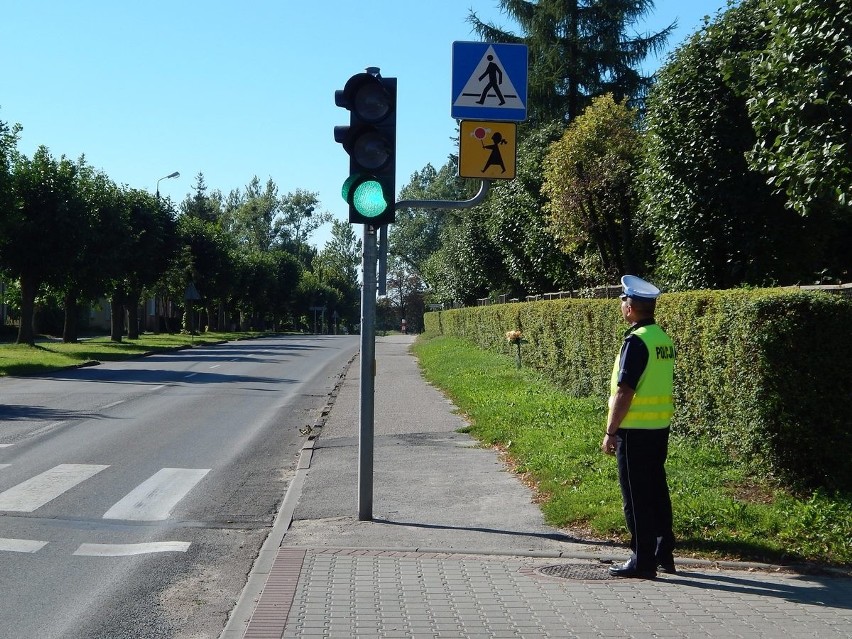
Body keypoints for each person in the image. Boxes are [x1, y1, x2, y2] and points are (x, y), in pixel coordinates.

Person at [602, 275, 676, 578]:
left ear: (630, 308)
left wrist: (610, 431)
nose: (621, 306)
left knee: (636, 497)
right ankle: (662, 553)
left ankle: (641, 560)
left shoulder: (636, 341)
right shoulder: (662, 338)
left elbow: (625, 391)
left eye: (622, 301)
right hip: (659, 428)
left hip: (634, 431)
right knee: (657, 491)